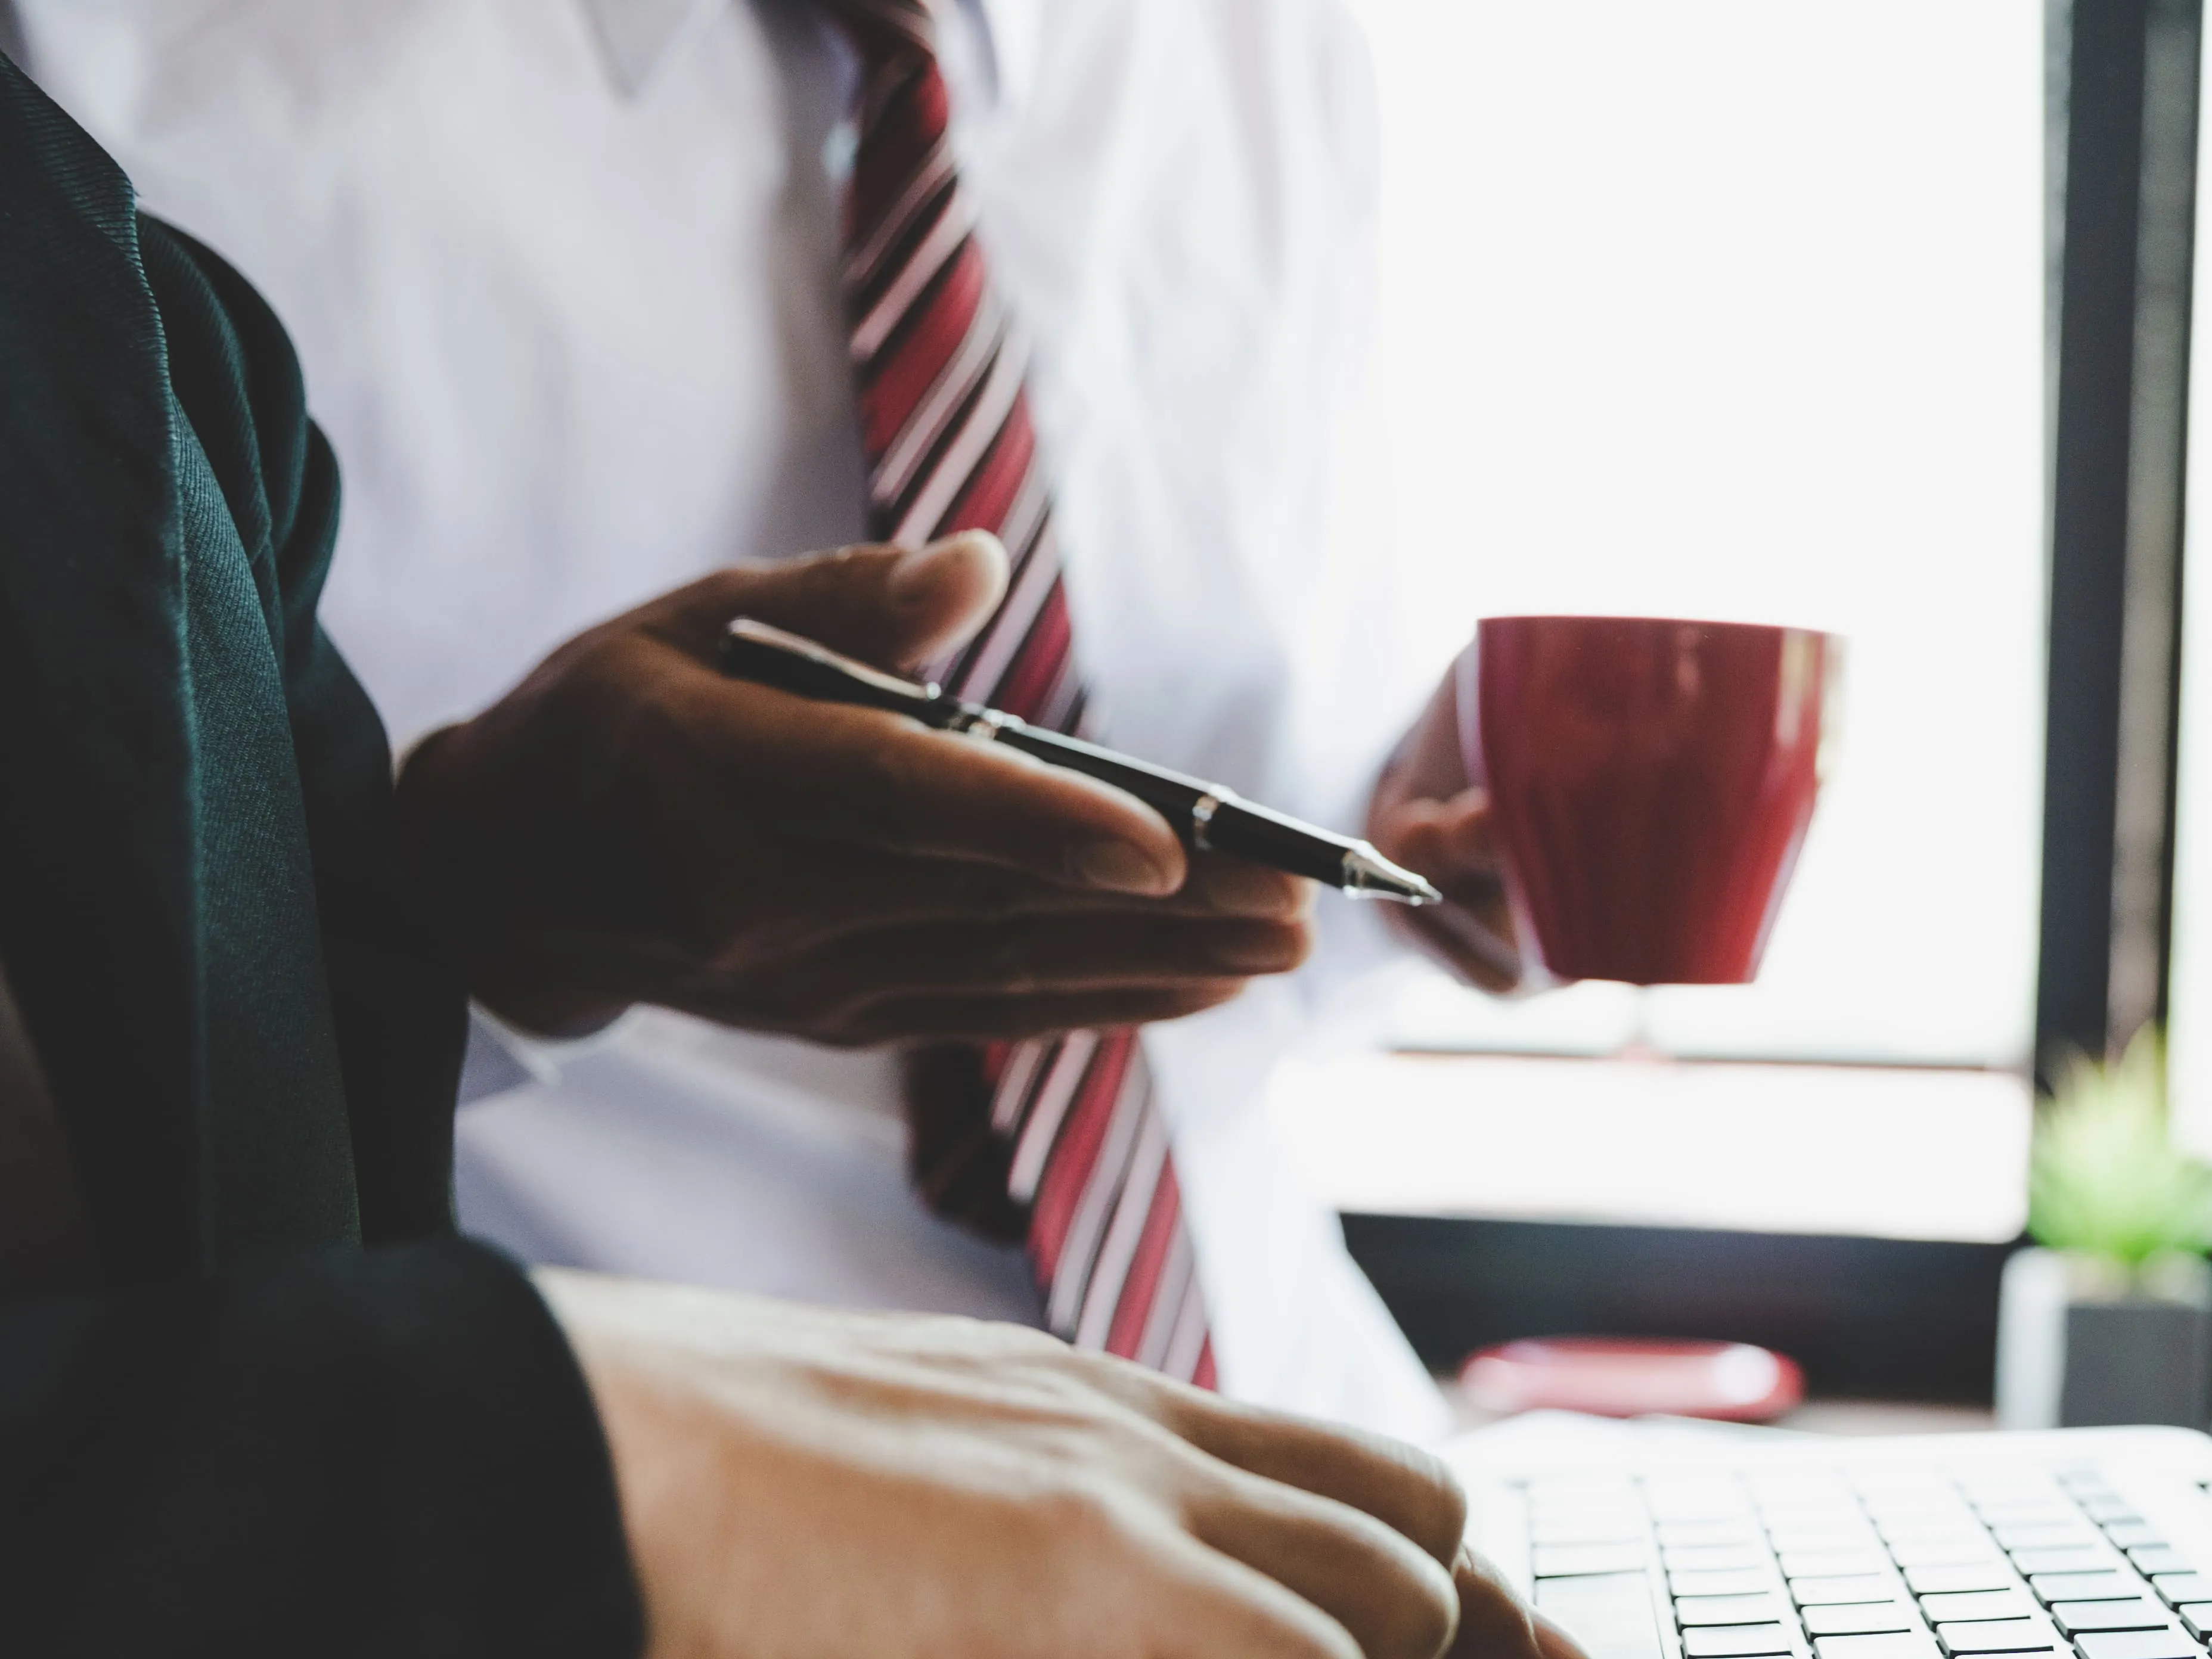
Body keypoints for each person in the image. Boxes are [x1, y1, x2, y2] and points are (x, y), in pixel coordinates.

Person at [0, 49, 1594, 1659]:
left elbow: (200, 1004)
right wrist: (593, 1447)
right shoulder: (138, 84)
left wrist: (1416, 872)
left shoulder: (1293, 74)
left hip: (1242, 1497)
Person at [1, 0, 1520, 1447]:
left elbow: (1248, 993)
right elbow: (129, 1114)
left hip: (1311, 1449)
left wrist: (1416, 873)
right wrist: (483, 916)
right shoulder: (102, 103)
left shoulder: (1265, 56)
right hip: (648, 1598)